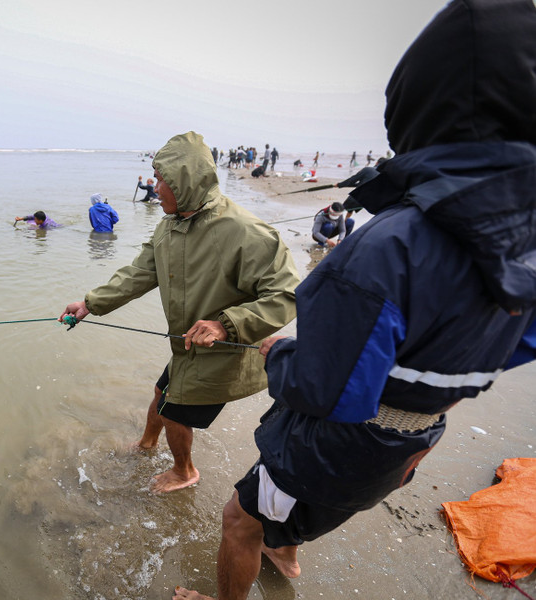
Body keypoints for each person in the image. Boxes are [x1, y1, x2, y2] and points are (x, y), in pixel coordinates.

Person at [174, 1, 536, 598]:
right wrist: (429, 374)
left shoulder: (390, 248)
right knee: (296, 513)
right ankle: (286, 559)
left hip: (338, 447)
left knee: (241, 519)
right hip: (413, 443)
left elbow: (326, 393)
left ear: (419, 104)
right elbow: (514, 346)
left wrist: (279, 356)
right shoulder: (521, 239)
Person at [61, 131, 299, 494]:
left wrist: (226, 325)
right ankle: (146, 444)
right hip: (187, 346)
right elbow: (139, 273)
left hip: (223, 351)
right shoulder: (169, 227)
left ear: (183, 181)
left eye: (160, 179)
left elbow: (286, 294)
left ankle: (185, 471)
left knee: (174, 411)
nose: (155, 187)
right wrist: (90, 304)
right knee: (161, 392)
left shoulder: (246, 231)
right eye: (155, 178)